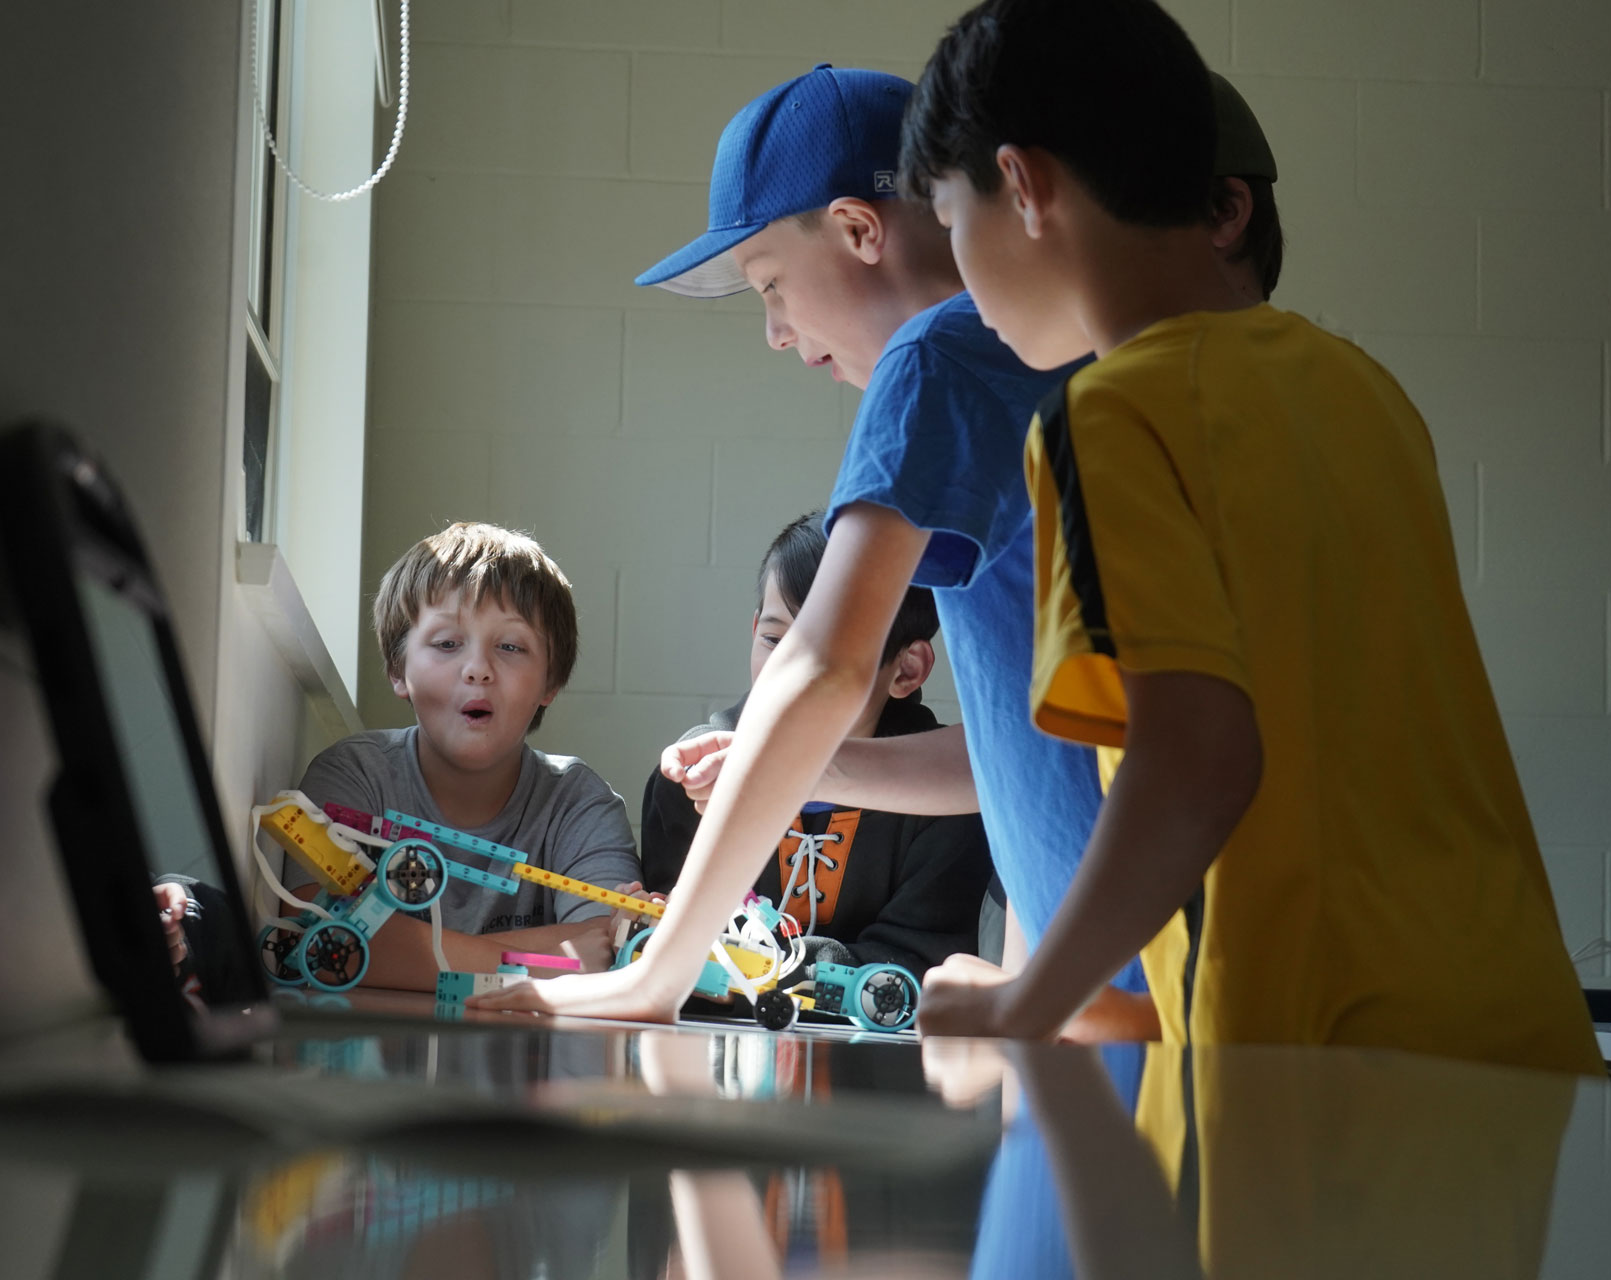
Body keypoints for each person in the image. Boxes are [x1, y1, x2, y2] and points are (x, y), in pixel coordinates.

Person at [475, 63, 1280, 1040]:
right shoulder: (1096, 361)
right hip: (1143, 973)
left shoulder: (937, 353)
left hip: (1127, 970)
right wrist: (810, 769)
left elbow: (822, 659)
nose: (775, 332)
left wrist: (661, 971)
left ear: (860, 230)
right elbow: (1035, 750)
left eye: (772, 285)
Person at [901, 0, 1600, 1075]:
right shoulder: (1365, 390)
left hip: (1319, 1072)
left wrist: (1027, 1002)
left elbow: (1197, 763)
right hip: (1514, 1034)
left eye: (950, 215)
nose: (956, 266)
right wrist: (1073, 1001)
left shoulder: (1106, 415)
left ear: (1026, 186)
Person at [285, 521, 640, 991]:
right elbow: (317, 945)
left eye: (511, 647)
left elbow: (607, 952)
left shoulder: (579, 804)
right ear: (397, 669)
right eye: (447, 644)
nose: (477, 670)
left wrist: (398, 950)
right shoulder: (355, 776)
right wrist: (539, 956)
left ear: (550, 682)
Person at [639, 512, 991, 976]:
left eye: (824, 654)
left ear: (906, 669)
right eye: (773, 639)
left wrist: (765, 963)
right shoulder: (693, 779)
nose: (786, 673)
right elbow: (672, 946)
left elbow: (913, 965)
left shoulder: (954, 801)